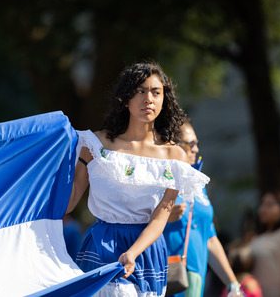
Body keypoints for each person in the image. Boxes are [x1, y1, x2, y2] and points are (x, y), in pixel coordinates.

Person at [66, 61, 210, 296]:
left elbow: (160, 217)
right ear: (125, 98)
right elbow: (70, 202)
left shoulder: (175, 157)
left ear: (164, 99)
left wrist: (133, 252)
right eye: (140, 91)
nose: (149, 99)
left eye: (156, 92)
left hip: (148, 250)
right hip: (102, 244)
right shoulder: (95, 144)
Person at [162, 118, 242, 297]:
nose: (196, 149)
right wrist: (163, 218)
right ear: (172, 144)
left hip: (195, 281)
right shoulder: (159, 180)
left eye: (196, 144)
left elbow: (210, 238)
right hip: (166, 278)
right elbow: (134, 225)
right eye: (190, 144)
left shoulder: (199, 184)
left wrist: (233, 285)